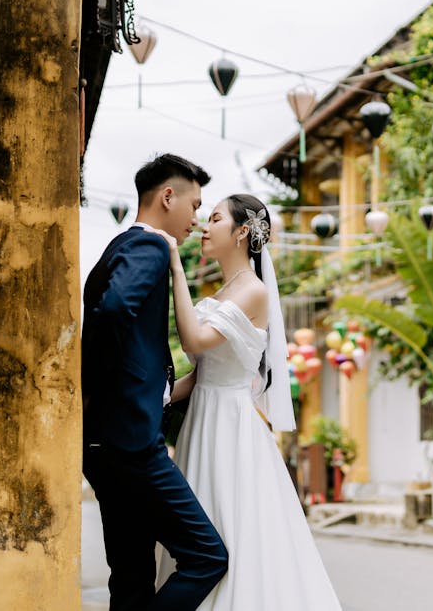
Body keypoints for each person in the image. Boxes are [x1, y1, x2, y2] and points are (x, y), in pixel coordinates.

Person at [153, 193, 342, 611]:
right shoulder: (226, 289)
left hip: (231, 427)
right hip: (203, 419)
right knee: (201, 529)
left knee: (232, 529)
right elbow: (202, 374)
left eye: (215, 218)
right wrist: (156, 399)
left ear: (241, 232)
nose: (205, 225)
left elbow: (195, 341)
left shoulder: (254, 291)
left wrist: (175, 265)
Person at [82, 154, 228, 611]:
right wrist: (121, 394)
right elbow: (110, 314)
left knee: (130, 576)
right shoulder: (148, 248)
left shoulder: (118, 246)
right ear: (168, 197)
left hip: (104, 443)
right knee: (207, 556)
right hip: (131, 444)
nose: (197, 219)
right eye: (195, 204)